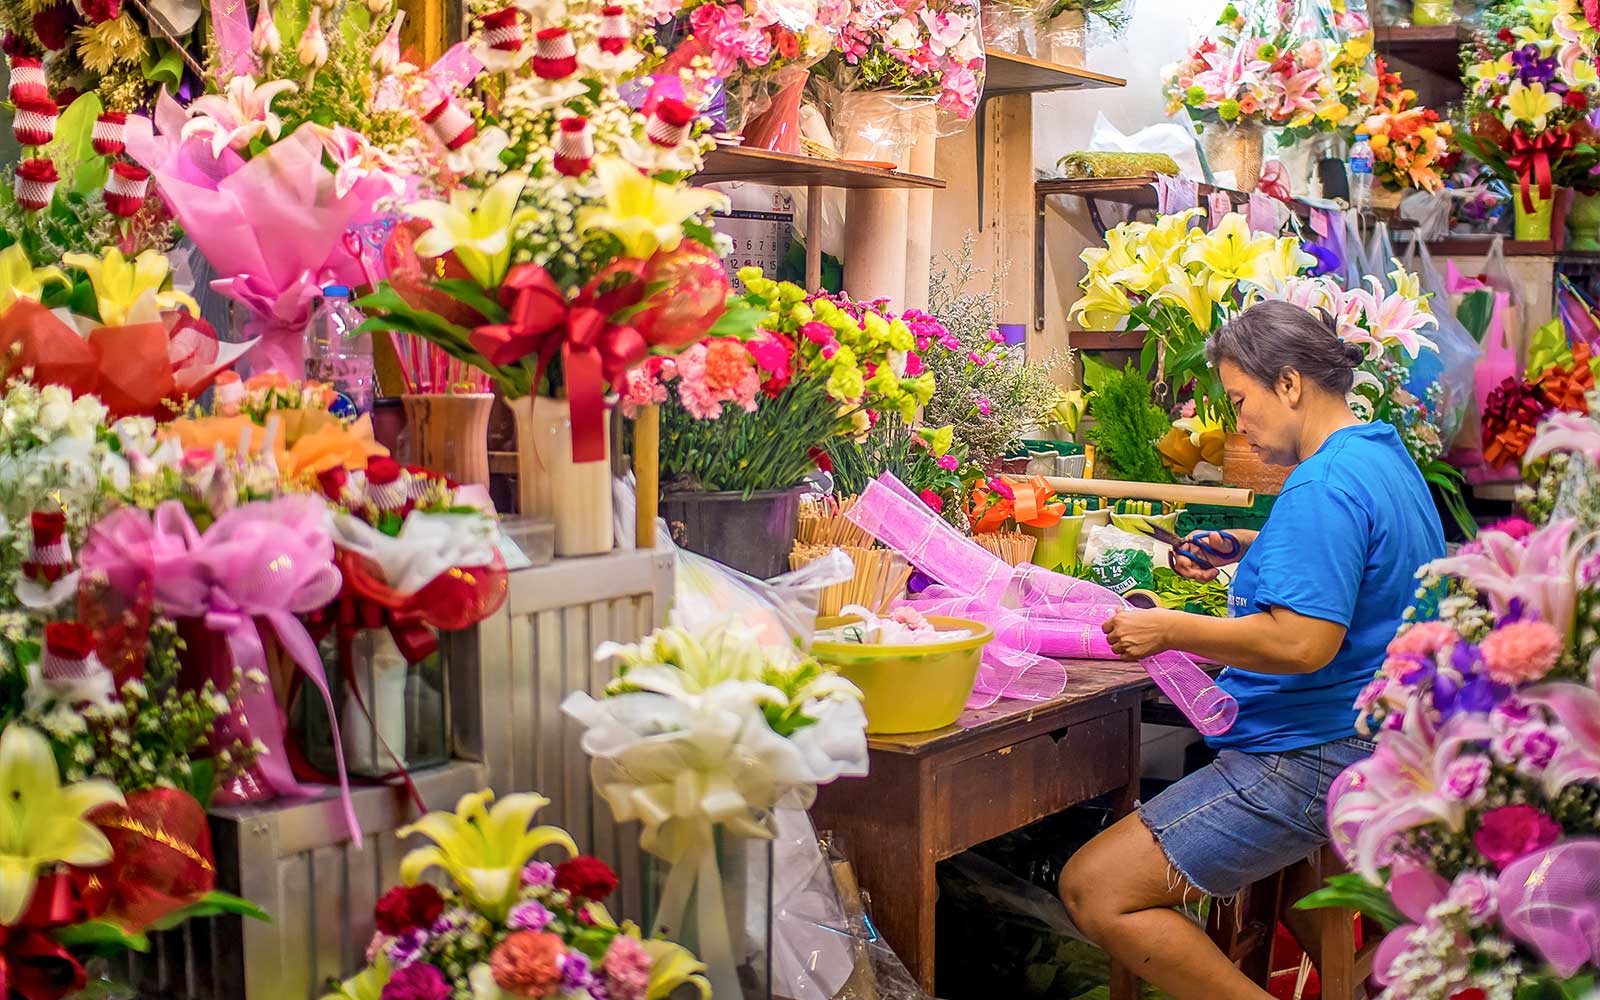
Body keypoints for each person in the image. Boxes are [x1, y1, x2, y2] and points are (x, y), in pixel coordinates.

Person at [1057, 300, 1447, 999]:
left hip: (1316, 754)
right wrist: (1251, 546)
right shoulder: (1380, 453)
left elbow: (1301, 643)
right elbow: (1363, 561)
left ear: (1290, 384)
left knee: (1094, 888)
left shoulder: (1321, 485)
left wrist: (1169, 628)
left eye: (1240, 400)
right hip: (1379, 739)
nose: (1238, 423)